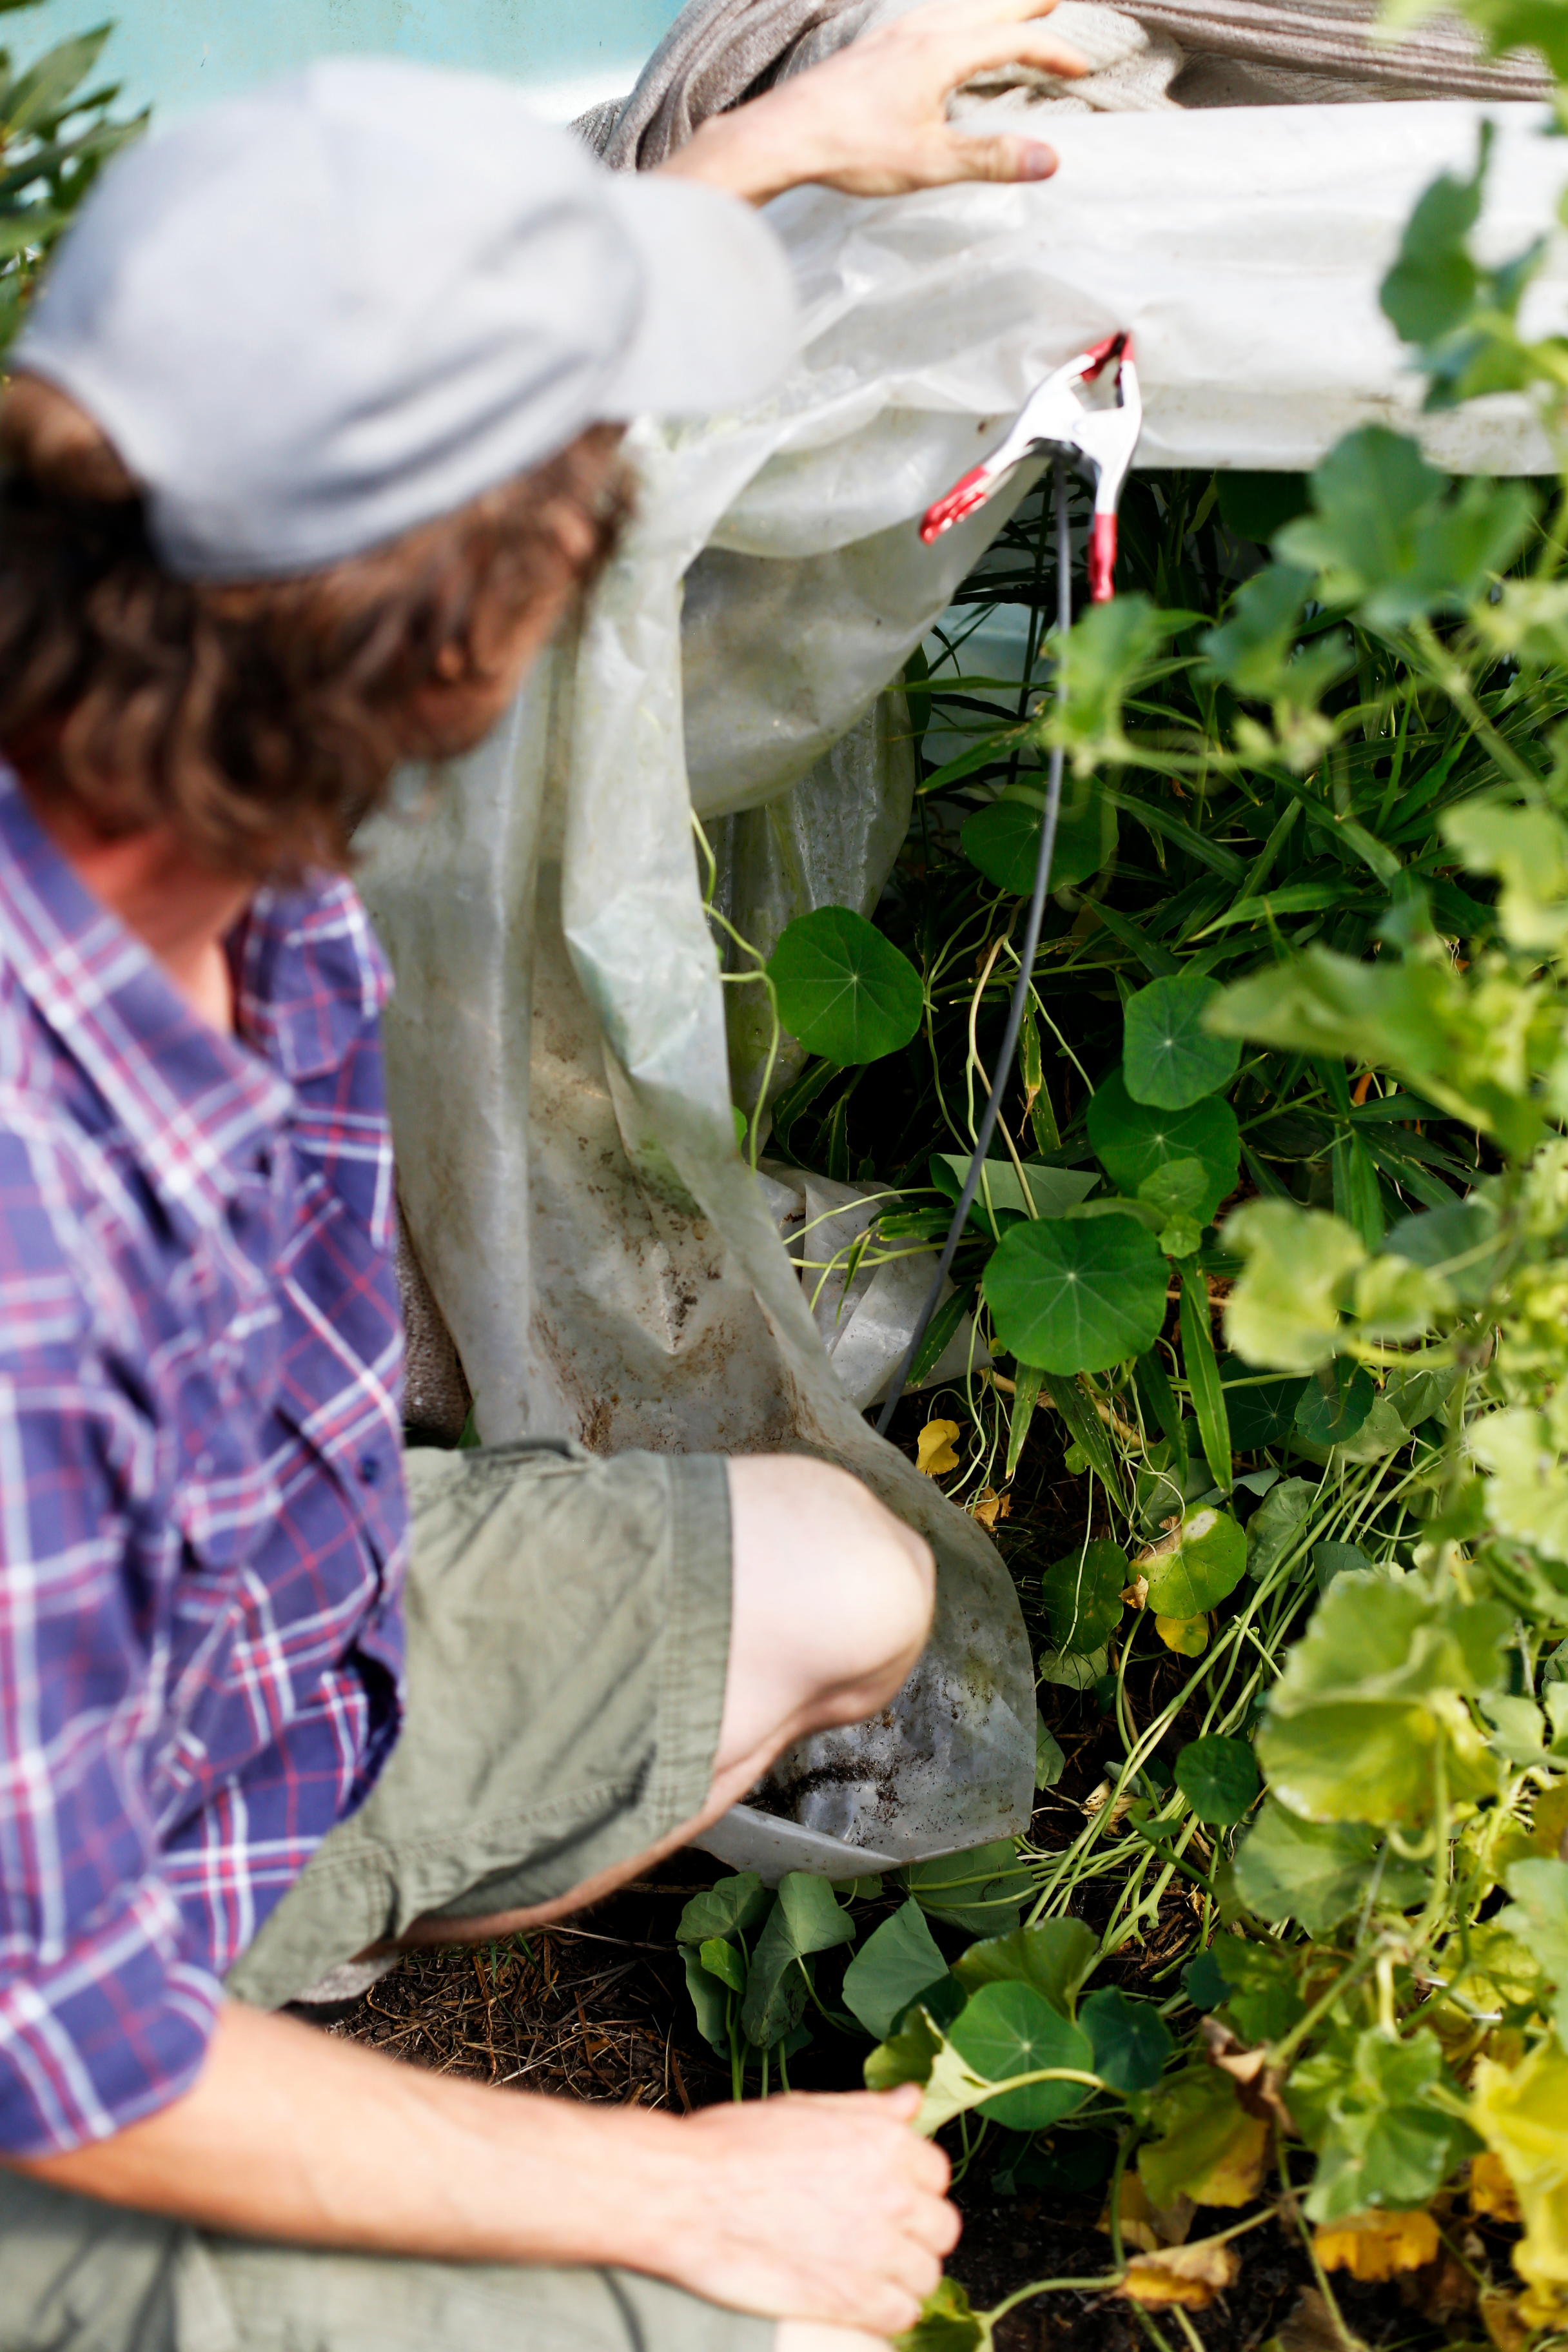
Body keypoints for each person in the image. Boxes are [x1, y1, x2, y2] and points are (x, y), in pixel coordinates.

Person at [0, 5, 1085, 2346]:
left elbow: (392, 429)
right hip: (43, 2041)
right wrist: (681, 2193)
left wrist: (786, 140)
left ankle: (302, 2008)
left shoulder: (180, 718)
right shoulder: (26, 1209)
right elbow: (47, 2037)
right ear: (456, 627)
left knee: (833, 1580)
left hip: (213, 1717)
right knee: (775, 2315)